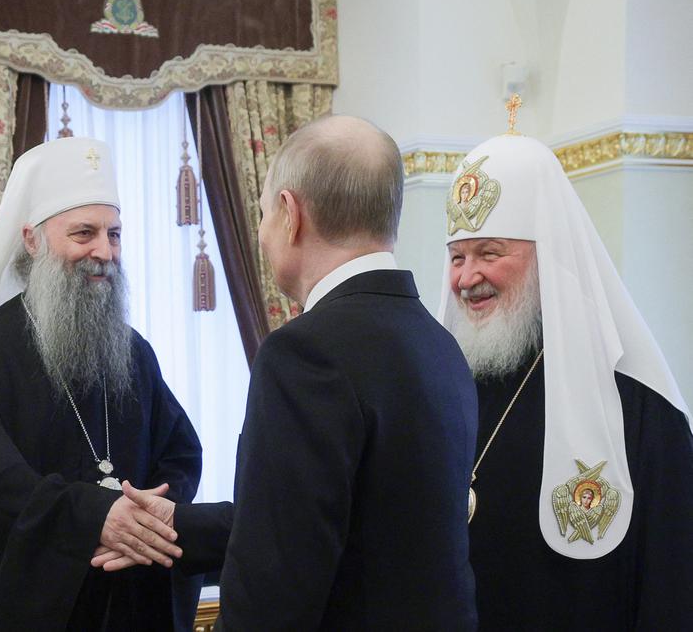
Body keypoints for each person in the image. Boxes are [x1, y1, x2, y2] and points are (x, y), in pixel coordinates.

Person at [97, 115, 479, 630]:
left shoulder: (304, 353)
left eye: (261, 214)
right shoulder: (440, 343)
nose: (259, 233)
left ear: (289, 213)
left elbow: (276, 579)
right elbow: (355, 521)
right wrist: (180, 522)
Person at [0, 137, 203, 631]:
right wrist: (95, 517)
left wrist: (153, 510)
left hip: (130, 604)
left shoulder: (133, 351)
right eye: (83, 233)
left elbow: (179, 453)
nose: (104, 251)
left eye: (114, 234)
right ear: (32, 240)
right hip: (38, 611)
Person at [439, 123, 693, 629]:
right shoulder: (443, 387)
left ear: (548, 256)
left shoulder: (640, 405)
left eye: (490, 253)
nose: (467, 278)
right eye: (457, 257)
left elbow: (672, 584)